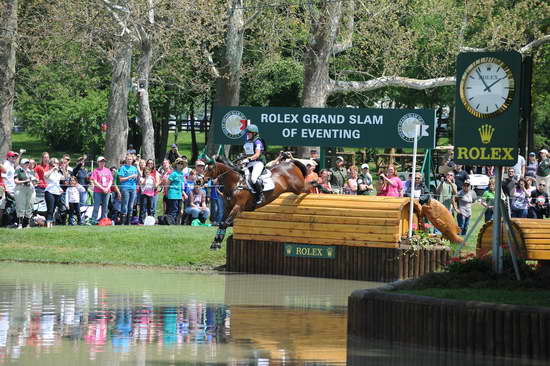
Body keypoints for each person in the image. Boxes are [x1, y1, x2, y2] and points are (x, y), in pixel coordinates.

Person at [241, 124, 266, 204]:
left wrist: (248, 159)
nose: (247, 134)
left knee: (253, 178)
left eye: (249, 132)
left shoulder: (258, 141)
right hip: (250, 163)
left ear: (254, 133)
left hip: (258, 162)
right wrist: (242, 158)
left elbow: (257, 154)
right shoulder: (247, 142)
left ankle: (261, 196)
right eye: (247, 132)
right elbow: (246, 154)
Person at [14, 159, 38, 228]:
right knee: (20, 206)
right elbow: (16, 181)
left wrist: (35, 182)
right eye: (25, 163)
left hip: (30, 189)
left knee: (29, 206)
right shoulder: (18, 170)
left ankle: (27, 224)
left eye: (28, 163)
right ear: (21, 164)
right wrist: (25, 181)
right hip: (21, 189)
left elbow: (34, 182)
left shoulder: (31, 171)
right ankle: (20, 224)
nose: (27, 164)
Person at [44, 158, 67, 228]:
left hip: (57, 193)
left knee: (53, 209)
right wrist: (53, 169)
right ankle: (48, 224)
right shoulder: (48, 171)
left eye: (57, 163)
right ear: (52, 164)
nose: (57, 164)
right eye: (56, 163)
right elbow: (45, 176)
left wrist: (63, 169)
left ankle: (50, 224)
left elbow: (65, 177)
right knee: (50, 209)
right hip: (49, 191)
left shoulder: (58, 173)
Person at [117, 155, 139, 225]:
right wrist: (130, 176)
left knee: (131, 205)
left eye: (130, 159)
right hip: (125, 188)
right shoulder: (123, 168)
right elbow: (120, 179)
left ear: (132, 160)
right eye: (128, 159)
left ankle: (129, 222)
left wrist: (136, 178)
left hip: (133, 188)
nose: (129, 160)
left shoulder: (134, 168)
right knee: (125, 204)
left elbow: (136, 179)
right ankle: (122, 222)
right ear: (126, 160)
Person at [90, 156, 113, 223]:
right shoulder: (95, 171)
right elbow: (95, 181)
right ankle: (94, 220)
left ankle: (104, 220)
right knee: (96, 206)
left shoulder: (108, 170)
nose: (102, 163)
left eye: (103, 161)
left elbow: (111, 180)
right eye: (101, 161)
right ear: (98, 162)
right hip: (98, 191)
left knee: (105, 207)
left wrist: (107, 188)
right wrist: (103, 188)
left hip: (107, 191)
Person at [165, 158, 188, 222]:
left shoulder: (182, 174)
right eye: (179, 163)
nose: (180, 164)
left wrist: (184, 194)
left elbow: (181, 186)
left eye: (182, 163)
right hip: (173, 193)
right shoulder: (173, 174)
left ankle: (176, 223)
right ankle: (171, 222)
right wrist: (166, 193)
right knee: (173, 209)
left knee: (179, 209)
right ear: (176, 165)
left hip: (179, 194)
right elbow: (167, 184)